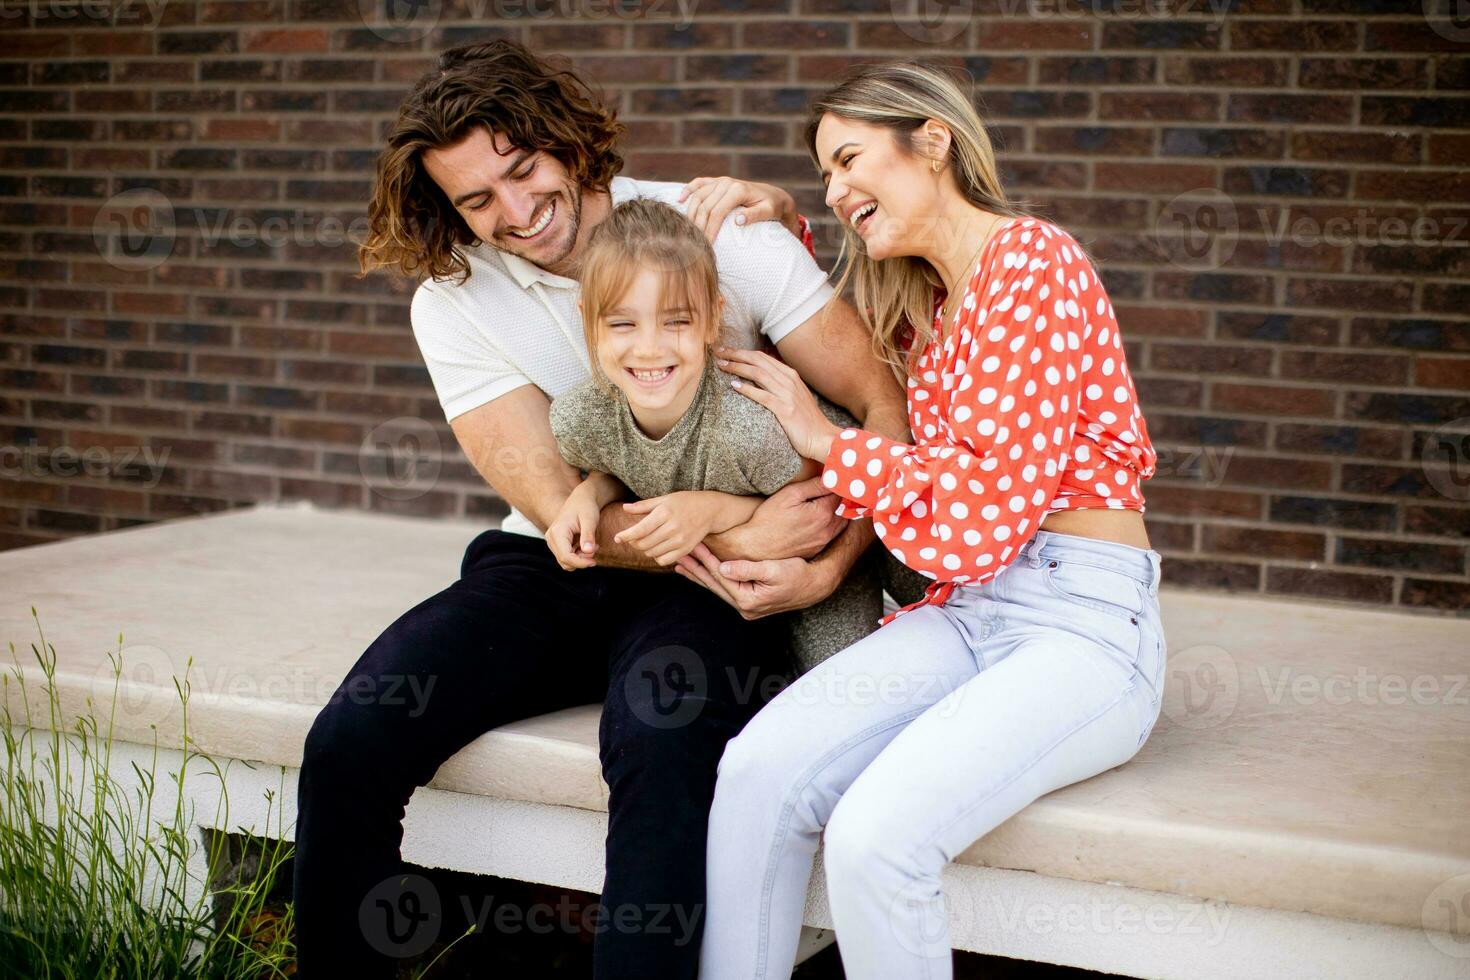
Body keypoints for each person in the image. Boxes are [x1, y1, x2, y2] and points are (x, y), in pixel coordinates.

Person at [292, 39, 912, 979]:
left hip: (710, 592)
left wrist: (831, 562)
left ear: (565, 140)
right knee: (351, 738)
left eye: (521, 169)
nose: (513, 212)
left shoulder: (722, 234)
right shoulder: (453, 301)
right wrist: (740, 525)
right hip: (566, 562)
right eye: (474, 201)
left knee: (660, 744)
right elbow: (557, 509)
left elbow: (881, 407)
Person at [691, 61, 1166, 980]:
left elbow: (983, 516)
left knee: (876, 837)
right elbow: (844, 306)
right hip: (966, 611)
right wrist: (781, 217)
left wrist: (824, 443)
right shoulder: (928, 305)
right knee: (755, 775)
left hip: (1082, 627)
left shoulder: (1035, 261)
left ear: (934, 140)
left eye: (850, 160)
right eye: (827, 177)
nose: (838, 192)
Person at [546, 197, 925, 672]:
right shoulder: (579, 419)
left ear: (711, 319)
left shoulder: (750, 429)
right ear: (588, 319)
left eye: (676, 322)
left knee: (851, 676)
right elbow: (629, 460)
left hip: (855, 522)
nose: (648, 348)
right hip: (765, 551)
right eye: (623, 323)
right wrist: (590, 492)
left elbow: (823, 499)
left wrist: (712, 510)